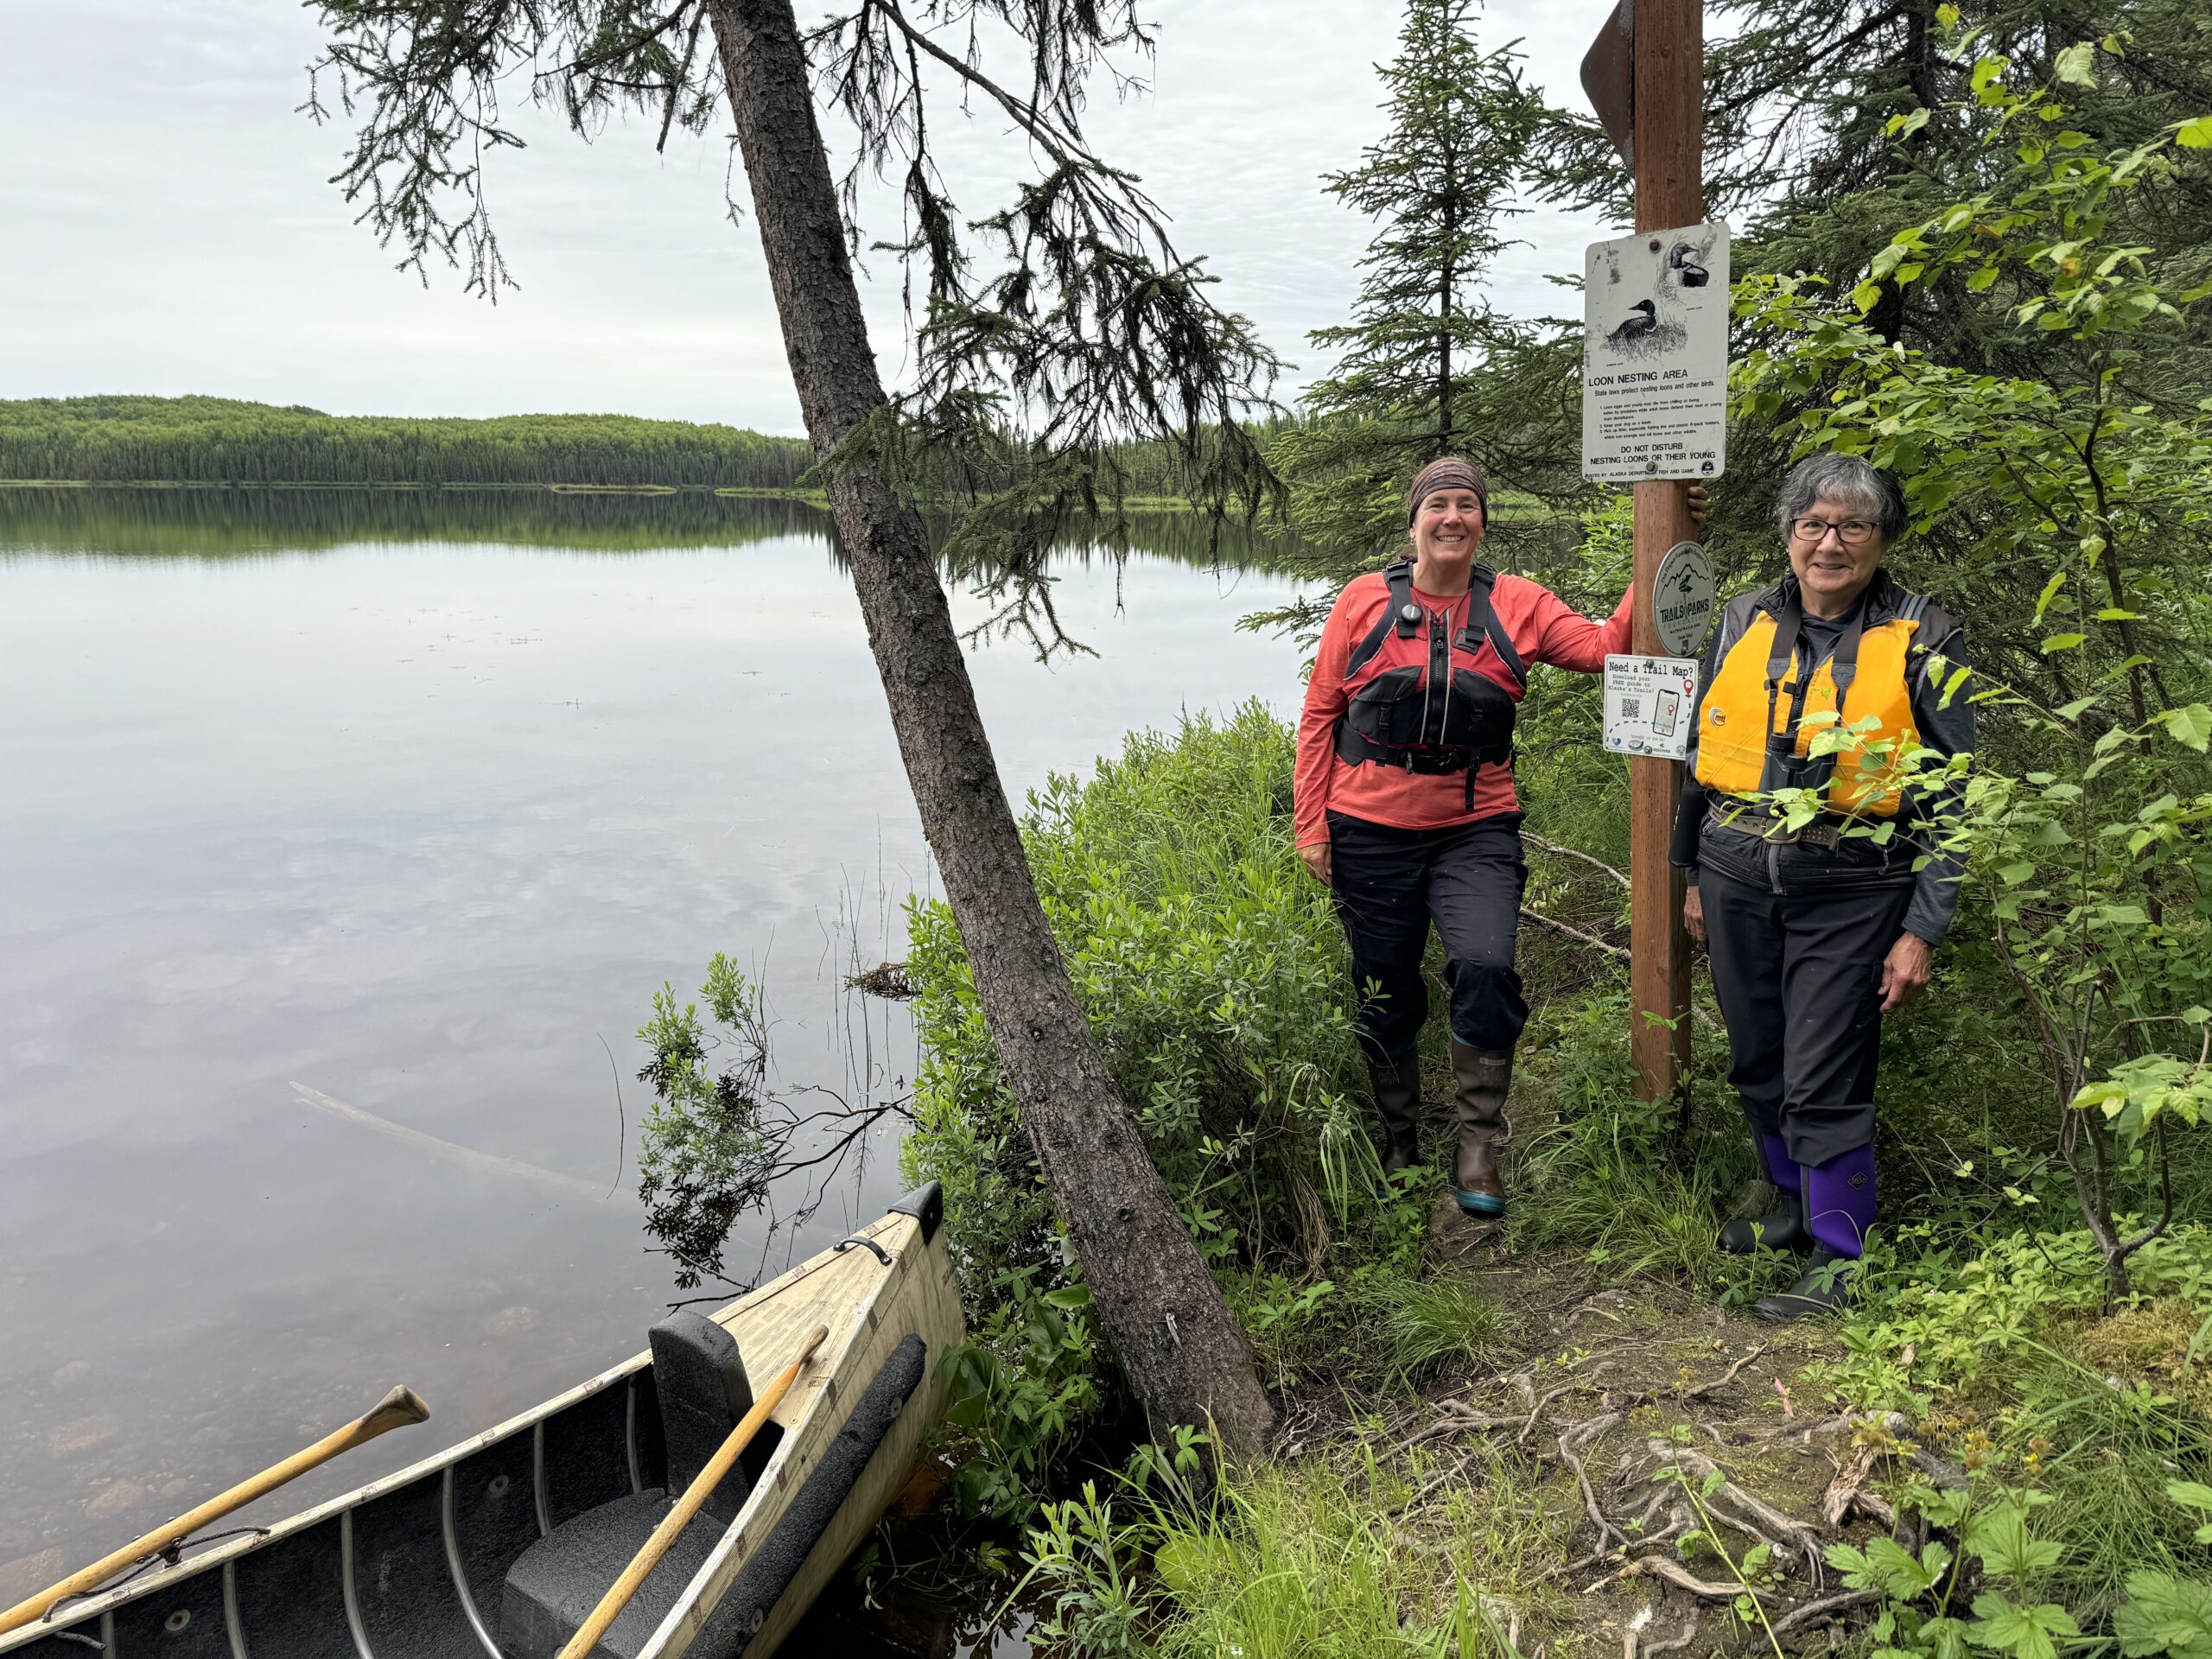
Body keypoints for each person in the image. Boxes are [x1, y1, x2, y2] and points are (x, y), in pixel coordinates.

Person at [1296, 456, 1698, 1217]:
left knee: (1485, 965)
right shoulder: (1362, 603)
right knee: (1384, 986)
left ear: (1483, 522)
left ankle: (1478, 1140)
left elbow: (1607, 646)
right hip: (1368, 829)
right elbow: (1320, 716)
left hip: (1474, 828)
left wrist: (1665, 544)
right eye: (1438, 506)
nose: (1453, 518)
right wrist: (1311, 826)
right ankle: (1398, 1136)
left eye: (1467, 507)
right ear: (1413, 522)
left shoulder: (1516, 603)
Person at [1674, 452, 1971, 1321]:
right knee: (1756, 1059)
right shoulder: (1744, 617)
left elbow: (1957, 795)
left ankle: (1842, 1259)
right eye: (1813, 524)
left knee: (1823, 1076)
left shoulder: (1924, 635)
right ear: (1789, 534)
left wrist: (1922, 928)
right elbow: (1704, 755)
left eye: (1851, 527)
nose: (1829, 543)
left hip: (1852, 884)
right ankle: (1790, 1212)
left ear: (1880, 540)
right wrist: (1690, 872)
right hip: (1733, 872)